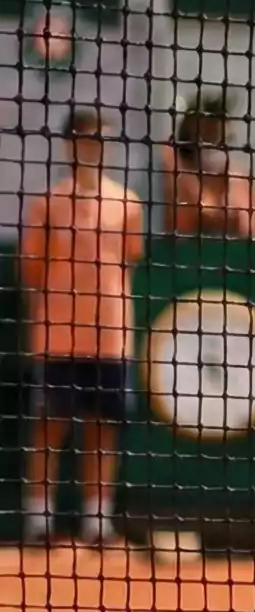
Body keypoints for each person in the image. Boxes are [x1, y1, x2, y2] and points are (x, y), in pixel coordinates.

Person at [19, 110, 142, 547]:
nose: (96, 148)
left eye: (102, 141)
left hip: (110, 337)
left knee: (102, 429)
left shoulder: (127, 203)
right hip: (58, 337)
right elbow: (32, 270)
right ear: (70, 145)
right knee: (49, 427)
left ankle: (97, 522)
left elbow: (129, 260)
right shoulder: (48, 203)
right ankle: (39, 521)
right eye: (88, 140)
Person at [156, 93, 255, 238]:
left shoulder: (239, 178)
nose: (213, 139)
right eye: (207, 131)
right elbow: (198, 213)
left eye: (217, 134)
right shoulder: (175, 168)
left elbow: (245, 226)